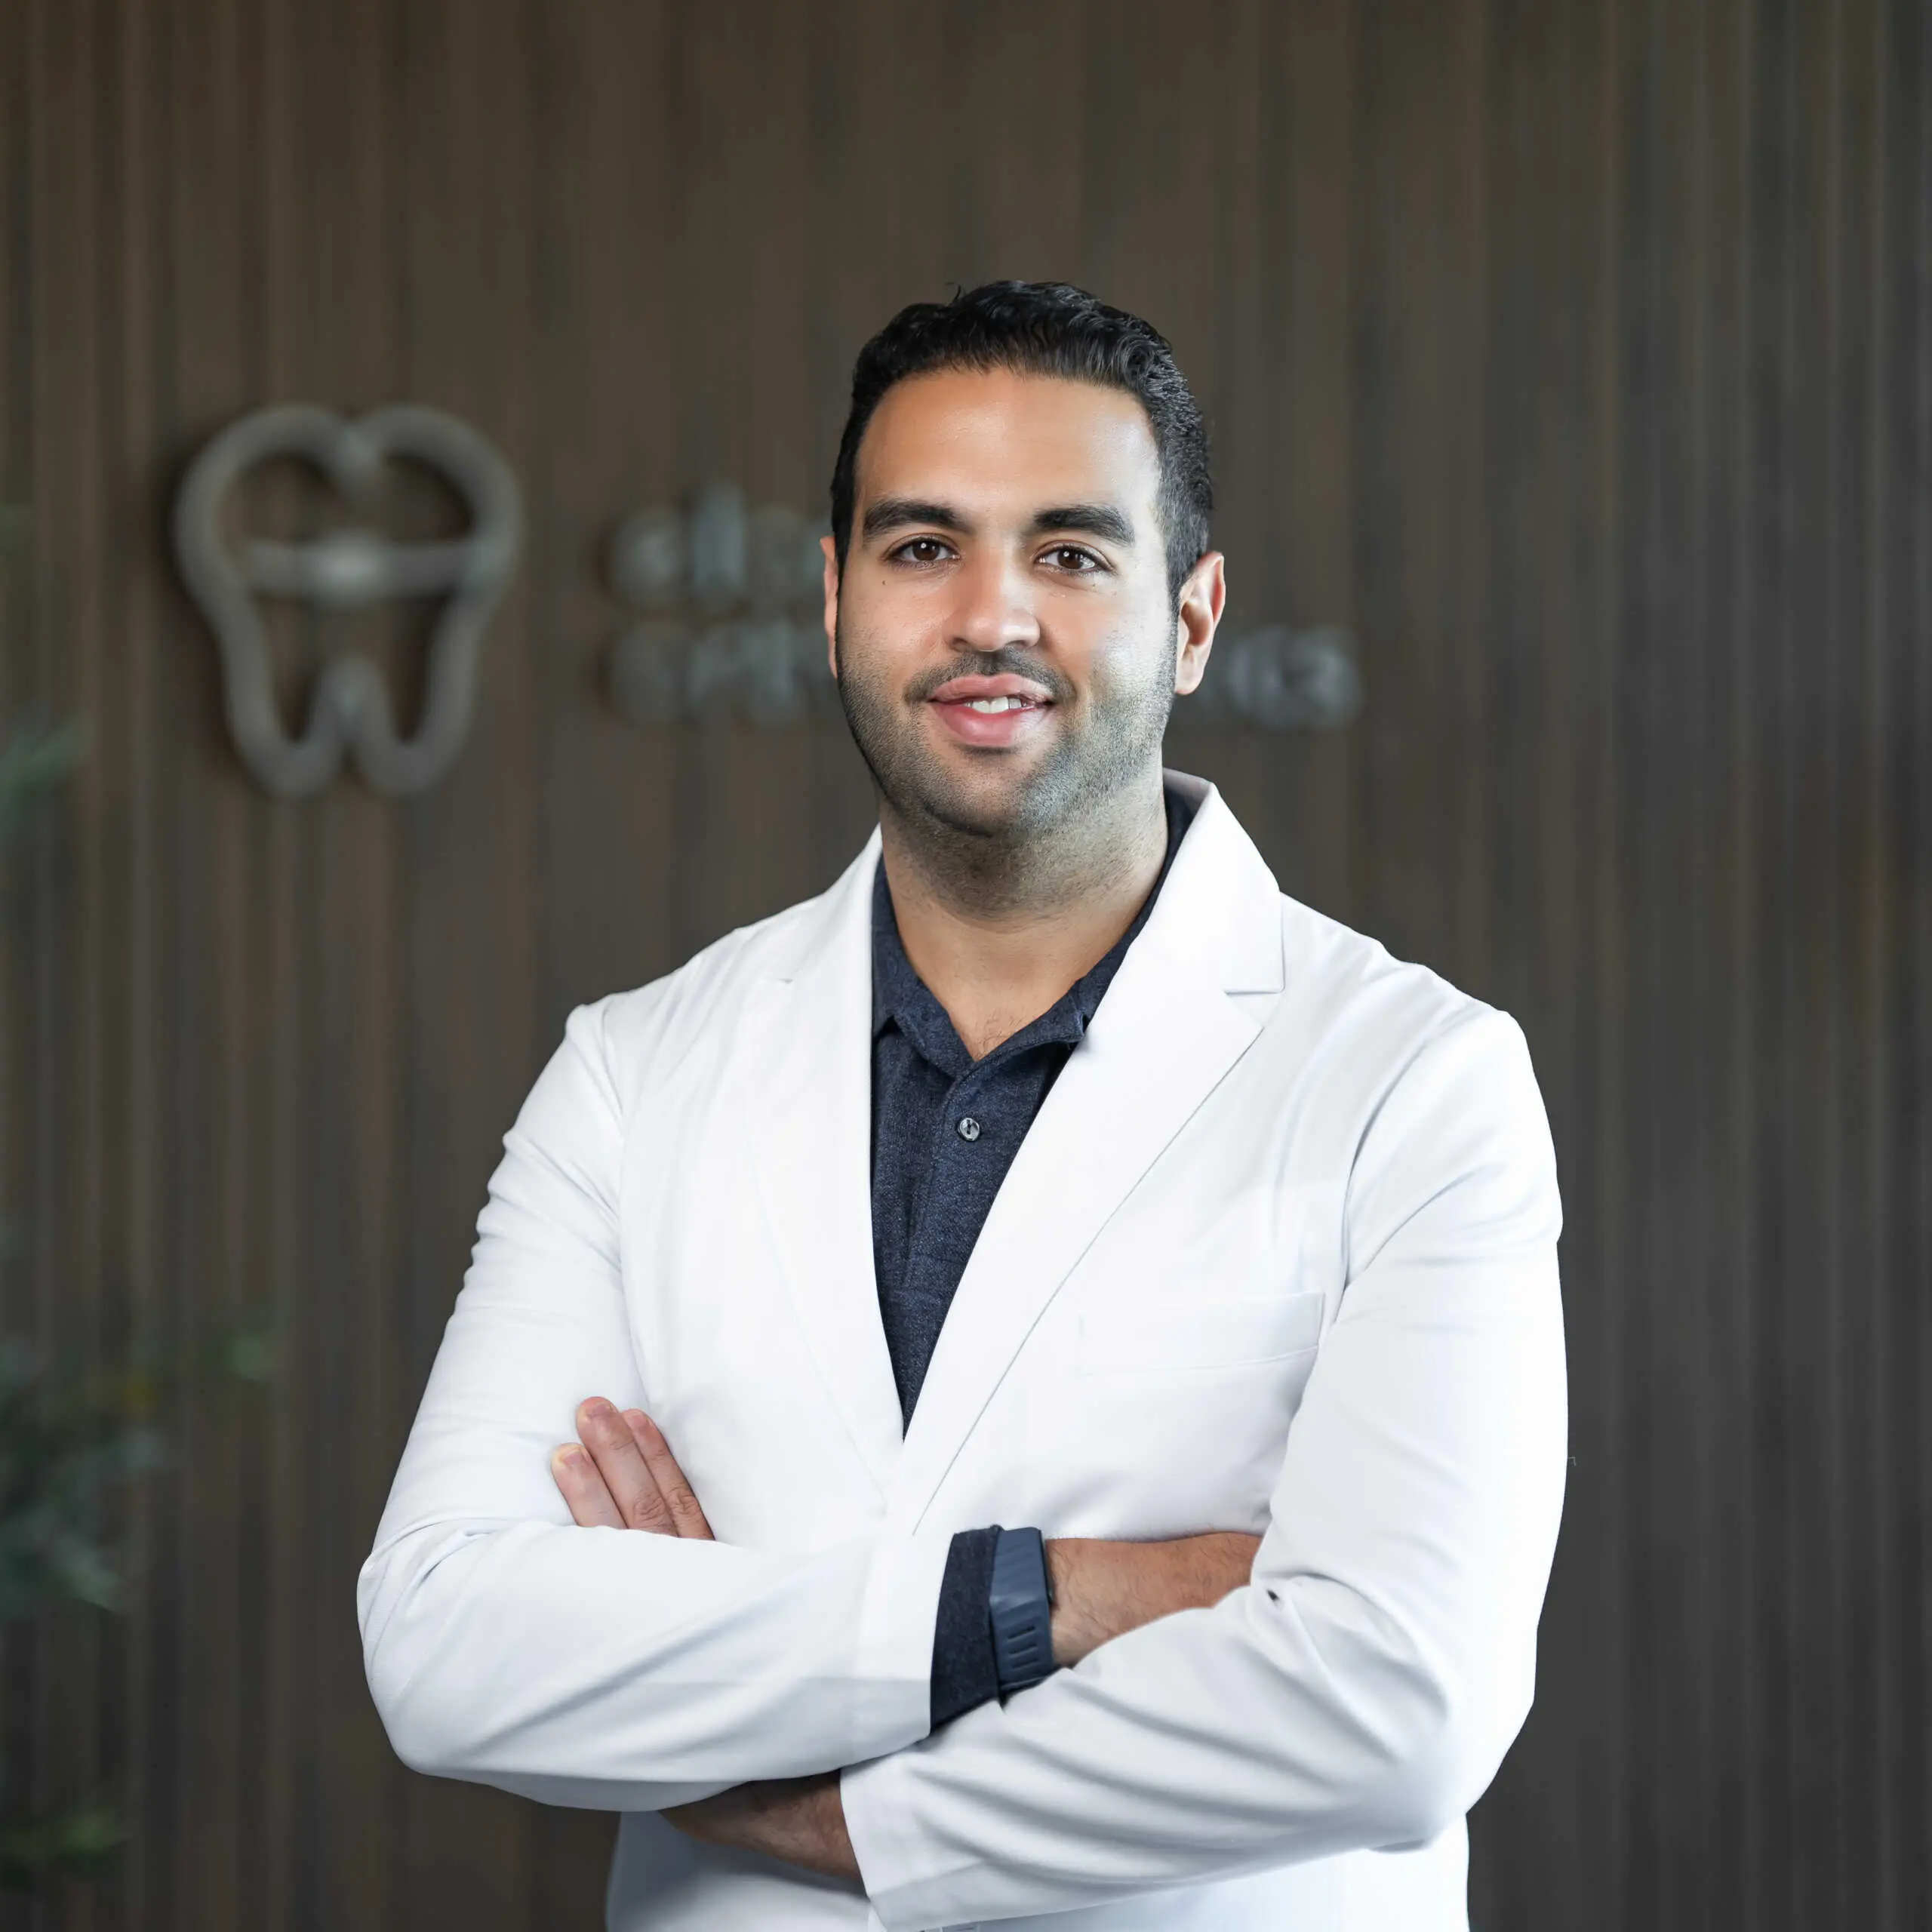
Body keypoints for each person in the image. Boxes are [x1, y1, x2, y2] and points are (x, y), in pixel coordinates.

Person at [358, 281, 1567, 1931]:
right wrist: (1056, 1596)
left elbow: (1396, 1703)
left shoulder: (1410, 1078)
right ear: (833, 599)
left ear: (1192, 617)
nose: (992, 614)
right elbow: (446, 1642)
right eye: (923, 546)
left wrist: (798, 1780)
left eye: (1069, 552)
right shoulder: (635, 1070)